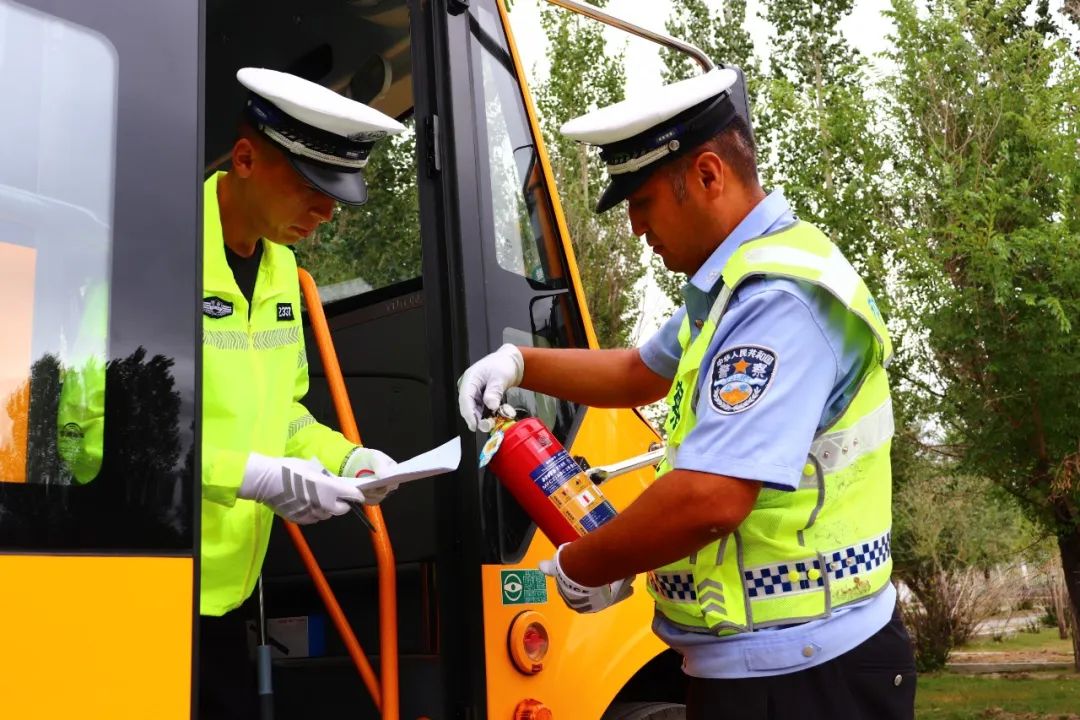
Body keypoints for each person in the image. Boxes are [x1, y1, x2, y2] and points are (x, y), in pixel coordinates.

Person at [458, 68, 916, 719]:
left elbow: (712, 496)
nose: (637, 230)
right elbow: (636, 374)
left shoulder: (777, 301)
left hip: (807, 675)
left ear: (707, 175)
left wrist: (583, 563)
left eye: (642, 204)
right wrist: (517, 362)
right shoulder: (730, 289)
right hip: (762, 665)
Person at [199, 67, 404, 718]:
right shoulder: (160, 247)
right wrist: (251, 475)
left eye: (335, 197)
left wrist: (349, 459)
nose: (324, 214)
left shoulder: (283, 269)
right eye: (312, 188)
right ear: (246, 159)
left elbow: (282, 411)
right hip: (141, 578)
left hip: (228, 593)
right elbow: (104, 425)